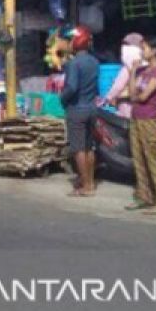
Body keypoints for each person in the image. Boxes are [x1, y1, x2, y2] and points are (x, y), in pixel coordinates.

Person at [126, 36, 156, 213]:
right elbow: (132, 94)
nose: (141, 51)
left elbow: (144, 96)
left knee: (154, 159)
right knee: (139, 159)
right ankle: (144, 195)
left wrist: (136, 97)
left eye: (144, 48)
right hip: (136, 117)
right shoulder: (143, 71)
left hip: (150, 119)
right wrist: (133, 72)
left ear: (154, 51)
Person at [58, 24, 99, 197]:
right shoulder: (94, 61)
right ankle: (90, 181)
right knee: (89, 147)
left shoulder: (74, 64)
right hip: (91, 108)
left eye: (70, 40)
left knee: (78, 148)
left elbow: (72, 87)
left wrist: (62, 97)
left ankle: (85, 185)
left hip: (77, 109)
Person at [105, 33, 143, 119]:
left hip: (126, 104)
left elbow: (118, 86)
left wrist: (108, 97)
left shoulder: (127, 69)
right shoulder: (145, 65)